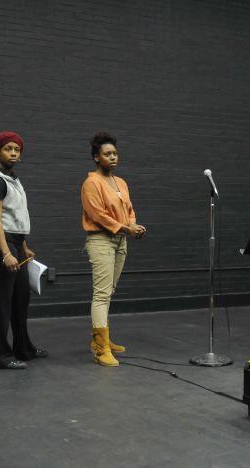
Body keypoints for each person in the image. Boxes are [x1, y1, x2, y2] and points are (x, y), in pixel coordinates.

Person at [0, 131, 47, 369]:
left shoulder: (13, 180)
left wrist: (23, 247)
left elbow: (15, 218)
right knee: (1, 301)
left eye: (17, 149)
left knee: (20, 299)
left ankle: (23, 348)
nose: (14, 153)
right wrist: (7, 253)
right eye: (8, 149)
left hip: (14, 243)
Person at [81, 132, 146, 366]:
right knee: (101, 294)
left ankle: (102, 339)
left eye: (115, 153)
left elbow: (129, 209)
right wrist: (124, 228)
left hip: (120, 241)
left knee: (109, 292)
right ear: (97, 158)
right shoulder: (91, 182)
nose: (113, 157)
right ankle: (100, 348)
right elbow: (97, 214)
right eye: (107, 154)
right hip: (101, 241)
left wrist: (132, 225)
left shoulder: (121, 182)